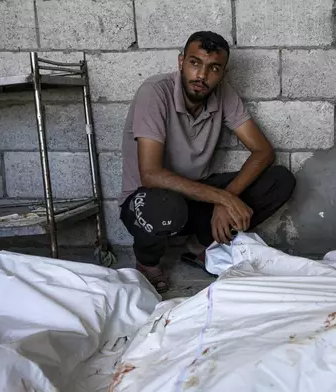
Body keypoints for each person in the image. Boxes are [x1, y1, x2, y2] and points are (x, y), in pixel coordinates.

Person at [119, 31, 296, 293]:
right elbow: (151, 174)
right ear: (181, 62)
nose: (202, 75)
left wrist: (228, 196)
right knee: (159, 203)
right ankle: (148, 263)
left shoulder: (223, 94)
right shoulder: (155, 92)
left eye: (213, 68)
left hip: (195, 195)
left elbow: (263, 151)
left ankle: (199, 246)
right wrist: (223, 199)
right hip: (148, 202)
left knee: (279, 180)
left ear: (223, 72)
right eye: (195, 63)